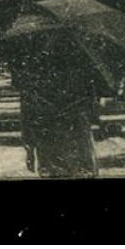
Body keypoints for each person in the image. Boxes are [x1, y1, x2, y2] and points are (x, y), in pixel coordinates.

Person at [15, 40, 104, 178]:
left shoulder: (33, 79)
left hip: (50, 151)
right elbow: (93, 108)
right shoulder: (81, 75)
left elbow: (27, 116)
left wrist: (29, 149)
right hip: (79, 149)